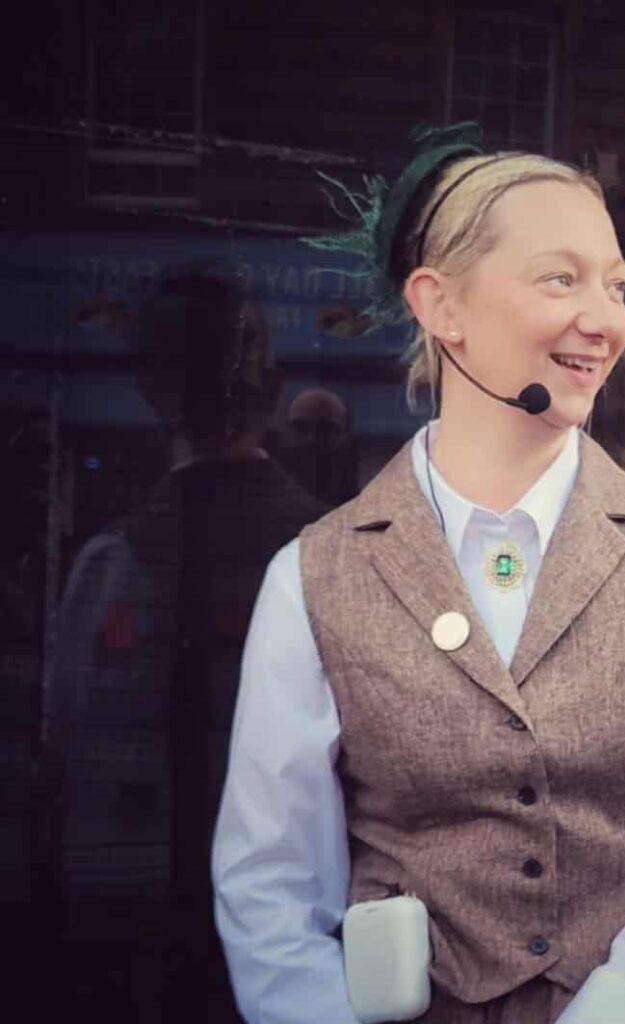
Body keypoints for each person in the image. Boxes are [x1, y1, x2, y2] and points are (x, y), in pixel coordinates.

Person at [212, 124, 625, 1024]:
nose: (604, 318)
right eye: (560, 278)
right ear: (442, 306)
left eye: (615, 284)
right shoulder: (314, 576)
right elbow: (271, 890)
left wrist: (620, 1006)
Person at [42, 267, 327, 1022]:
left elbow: (64, 769)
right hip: (299, 938)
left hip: (137, 941)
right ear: (272, 384)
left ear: (152, 388)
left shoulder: (114, 563)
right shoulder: (335, 561)